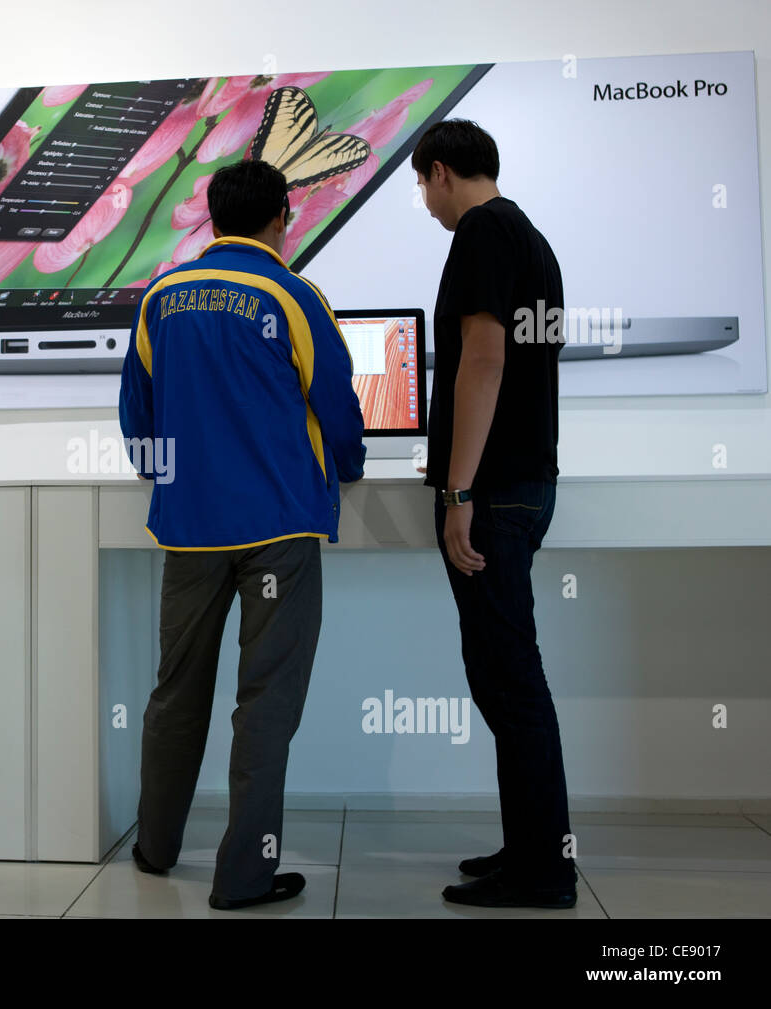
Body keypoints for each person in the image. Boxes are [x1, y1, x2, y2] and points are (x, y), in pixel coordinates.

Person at [118, 159, 365, 910]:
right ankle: (244, 875)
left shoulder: (160, 296)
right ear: (282, 218)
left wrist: (166, 475)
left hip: (189, 528)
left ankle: (155, 850)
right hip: (277, 528)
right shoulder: (294, 294)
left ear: (210, 218)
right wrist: (346, 469)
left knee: (175, 694)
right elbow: (336, 402)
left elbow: (137, 413)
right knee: (265, 703)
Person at [412, 119, 575, 909]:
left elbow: (483, 358)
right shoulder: (533, 239)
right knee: (510, 678)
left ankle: (543, 871)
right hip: (525, 480)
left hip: (495, 493)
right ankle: (531, 847)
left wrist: (457, 490)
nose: (425, 202)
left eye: (420, 185)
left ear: (440, 172)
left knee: (510, 682)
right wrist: (451, 456)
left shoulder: (478, 233)